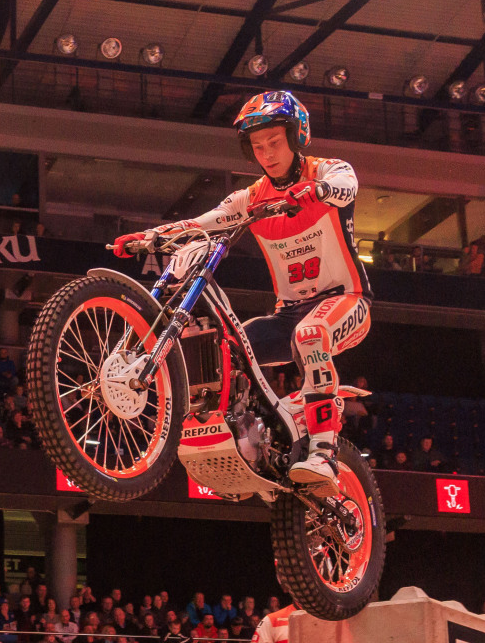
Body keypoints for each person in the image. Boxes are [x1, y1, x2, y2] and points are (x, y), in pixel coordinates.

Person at [111, 90, 368, 488]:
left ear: (297, 136)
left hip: (347, 301)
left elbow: (346, 185)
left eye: (275, 142)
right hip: (287, 315)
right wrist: (151, 236)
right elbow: (201, 223)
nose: (267, 153)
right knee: (227, 350)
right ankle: (252, 438)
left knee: (311, 334)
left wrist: (315, 191)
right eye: (258, 146)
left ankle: (324, 452)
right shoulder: (249, 198)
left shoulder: (326, 171)